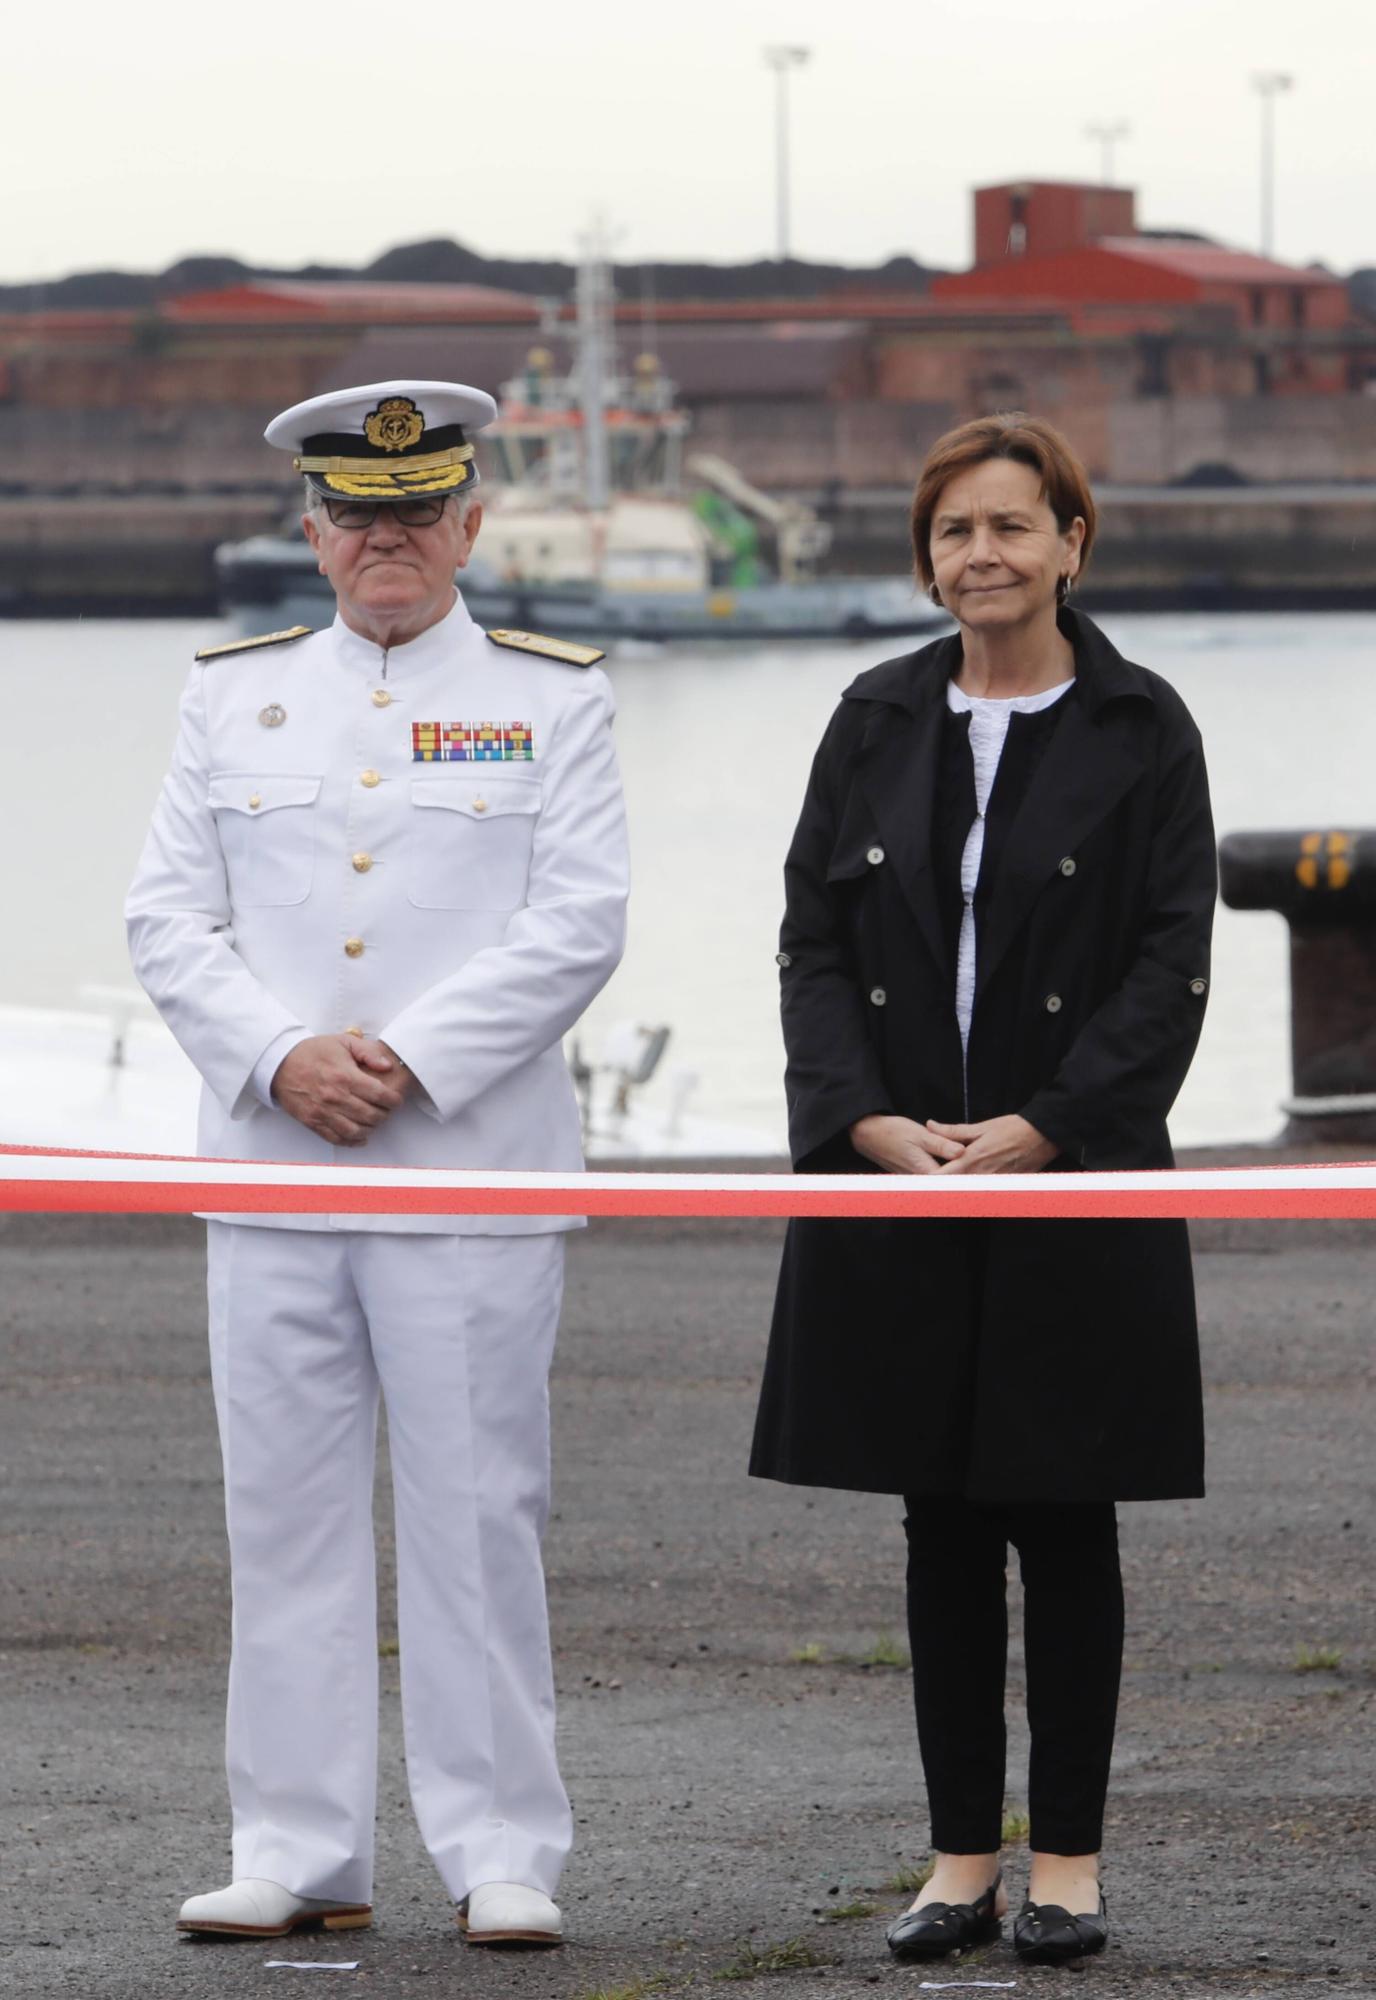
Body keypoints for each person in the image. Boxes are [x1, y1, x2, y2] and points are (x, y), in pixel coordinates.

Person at [126, 380, 629, 1948]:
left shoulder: (555, 699)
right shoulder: (232, 696)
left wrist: (405, 1059)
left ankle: (500, 1851)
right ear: (313, 532)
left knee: (481, 1515)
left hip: (463, 1172)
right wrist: (282, 1055)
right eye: (358, 512)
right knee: (280, 1519)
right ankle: (295, 1845)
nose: (386, 538)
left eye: (416, 512)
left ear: (472, 523)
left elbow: (580, 920)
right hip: (276, 1172)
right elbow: (165, 917)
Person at [749, 413, 1215, 1968]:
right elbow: (812, 946)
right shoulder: (873, 716)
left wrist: (1051, 1124)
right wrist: (865, 1124)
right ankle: (959, 1866)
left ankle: (1066, 1865)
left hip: (1071, 1180)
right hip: (902, 1183)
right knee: (937, 1524)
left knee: (1062, 1520)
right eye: (957, 532)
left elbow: (1172, 964)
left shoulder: (1144, 727)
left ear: (1071, 543)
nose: (984, 557)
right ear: (926, 553)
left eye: (1014, 527)